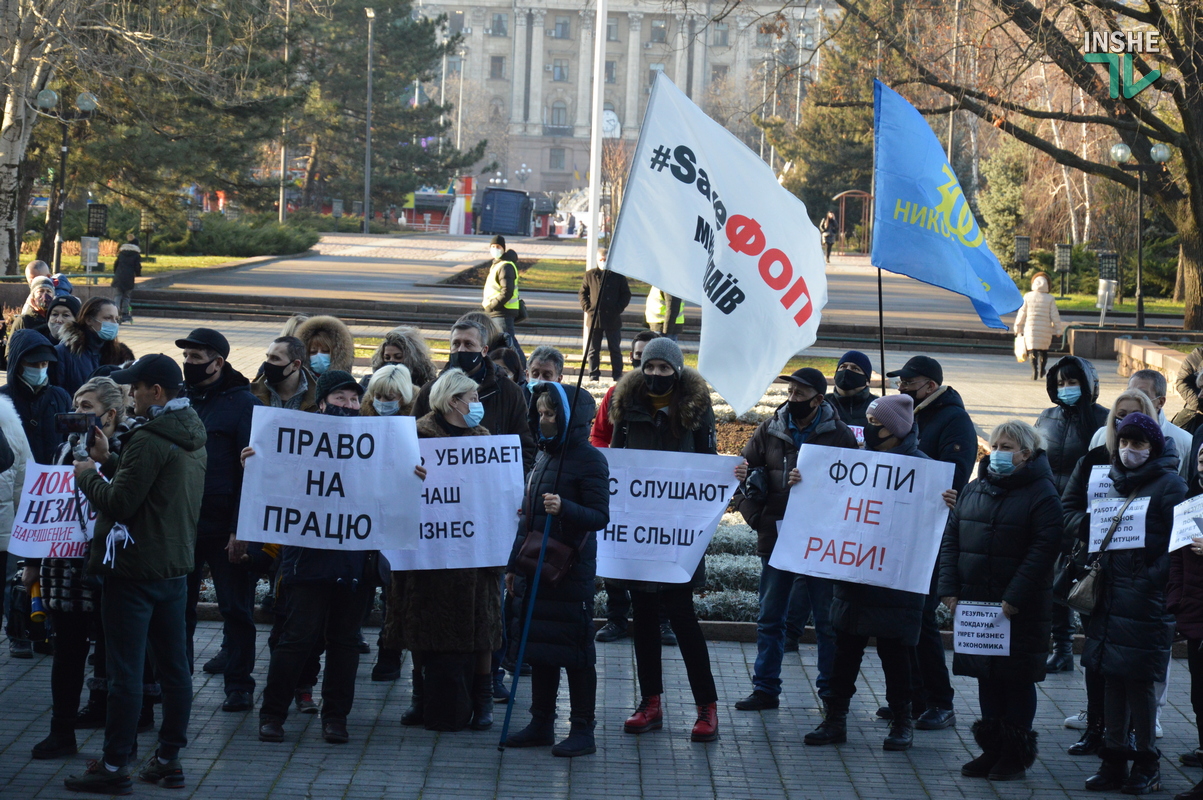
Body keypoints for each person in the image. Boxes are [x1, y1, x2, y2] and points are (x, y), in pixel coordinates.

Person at [64, 354, 207, 794]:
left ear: (156, 392)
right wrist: (110, 463)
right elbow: (151, 494)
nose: (131, 394)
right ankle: (168, 759)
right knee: (174, 668)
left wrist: (87, 473)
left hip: (133, 570)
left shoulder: (149, 439)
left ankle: (112, 766)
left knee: (126, 673)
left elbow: (122, 504)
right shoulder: (191, 434)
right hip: (173, 568)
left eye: (137, 387)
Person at [254, 370, 403, 745]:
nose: (349, 406)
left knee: (345, 642)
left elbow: (389, 494)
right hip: (307, 560)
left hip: (354, 564)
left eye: (354, 400)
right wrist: (255, 465)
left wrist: (410, 477)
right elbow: (275, 483)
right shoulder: (297, 442)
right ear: (321, 403)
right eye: (341, 399)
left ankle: (335, 717)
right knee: (296, 639)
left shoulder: (374, 445)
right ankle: (272, 713)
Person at [806, 394, 948, 752]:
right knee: (844, 655)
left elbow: (936, 529)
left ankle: (903, 722)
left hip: (895, 585)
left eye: (876, 424)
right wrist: (802, 480)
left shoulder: (924, 470)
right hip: (855, 576)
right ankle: (834, 720)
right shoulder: (858, 463)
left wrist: (948, 507)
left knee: (896, 657)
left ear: (896, 430)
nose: (869, 431)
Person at [608, 337, 721, 743]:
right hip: (638, 534)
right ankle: (650, 701)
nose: (655, 375)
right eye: (649, 367)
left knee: (682, 617)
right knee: (644, 621)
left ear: (677, 370)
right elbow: (617, 460)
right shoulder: (625, 405)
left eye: (663, 369)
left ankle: (706, 706)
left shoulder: (696, 409)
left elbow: (708, 465)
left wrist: (729, 479)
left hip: (676, 535)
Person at [939, 420, 1062, 781]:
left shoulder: (1042, 493)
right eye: (996, 445)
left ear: (1027, 453)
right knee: (987, 678)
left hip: (1018, 608)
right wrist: (949, 588)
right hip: (978, 604)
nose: (999, 453)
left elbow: (1043, 552)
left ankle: (1014, 756)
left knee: (1016, 680)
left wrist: (1014, 597)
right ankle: (991, 750)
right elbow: (952, 539)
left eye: (1008, 447)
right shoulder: (975, 488)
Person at [383, 368, 504, 732]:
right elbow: (387, 485)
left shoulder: (484, 438)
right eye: (474, 398)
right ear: (454, 401)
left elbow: (494, 491)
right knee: (421, 624)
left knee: (481, 627)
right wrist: (408, 475)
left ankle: (482, 701)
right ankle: (421, 697)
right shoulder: (416, 436)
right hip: (428, 553)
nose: (478, 405)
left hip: (473, 552)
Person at [733, 368, 857, 711]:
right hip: (777, 539)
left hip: (820, 543)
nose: (792, 399)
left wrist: (815, 483)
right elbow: (744, 471)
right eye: (790, 393)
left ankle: (831, 695)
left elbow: (851, 493)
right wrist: (755, 515)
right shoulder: (770, 428)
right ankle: (765, 689)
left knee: (826, 623)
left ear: (819, 400)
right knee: (770, 617)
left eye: (800, 395)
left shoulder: (840, 436)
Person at [1080, 412, 1186, 794]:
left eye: (1137, 444)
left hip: (1146, 602)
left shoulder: (1170, 486)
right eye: (1123, 442)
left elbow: (1181, 545)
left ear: (1153, 447)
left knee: (1139, 684)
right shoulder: (1115, 483)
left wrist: (1148, 579)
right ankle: (1114, 760)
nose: (1128, 450)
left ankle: (1146, 764)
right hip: (1113, 596)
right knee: (1111, 680)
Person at [503, 383, 610, 756]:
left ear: (570, 418)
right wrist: (514, 566)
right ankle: (540, 723)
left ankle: (583, 729)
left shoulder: (591, 460)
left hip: (569, 573)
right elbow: (527, 518)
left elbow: (599, 516)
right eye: (541, 413)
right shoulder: (545, 458)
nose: (543, 419)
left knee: (576, 653)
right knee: (541, 648)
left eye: (551, 413)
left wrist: (565, 508)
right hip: (536, 568)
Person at [1059, 387, 1160, 756]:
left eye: (1133, 414)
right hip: (1096, 573)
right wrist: (1090, 527)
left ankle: (1130, 734)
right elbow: (1066, 507)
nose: (1123, 422)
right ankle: (1096, 728)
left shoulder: (1159, 467)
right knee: (1096, 658)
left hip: (1135, 580)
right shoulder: (1093, 460)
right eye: (1119, 415)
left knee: (1129, 668)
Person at [23, 378, 120, 758]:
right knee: (67, 652)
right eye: (76, 404)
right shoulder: (62, 451)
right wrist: (31, 562)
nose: (76, 412)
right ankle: (61, 730)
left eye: (86, 406)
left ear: (109, 414)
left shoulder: (126, 446)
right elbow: (41, 510)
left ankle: (112, 723)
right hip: (65, 568)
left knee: (114, 651)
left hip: (110, 566)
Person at [886, 354, 974, 730]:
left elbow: (949, 477)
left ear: (930, 387)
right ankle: (914, 696)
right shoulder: (913, 414)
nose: (900, 387)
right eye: (899, 382)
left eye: (907, 382)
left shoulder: (954, 420)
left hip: (932, 532)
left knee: (920, 616)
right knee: (903, 615)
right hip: (903, 528)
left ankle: (941, 701)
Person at [177, 328, 262, 713]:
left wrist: (239, 528)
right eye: (187, 357)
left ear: (218, 363)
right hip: (182, 522)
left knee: (236, 609)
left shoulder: (243, 404)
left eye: (197, 358)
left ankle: (239, 685)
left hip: (224, 523)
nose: (189, 364)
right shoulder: (181, 398)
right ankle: (175, 682)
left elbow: (252, 472)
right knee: (179, 609)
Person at [590, 330, 674, 646]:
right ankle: (616, 619)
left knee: (662, 554)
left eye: (654, 360)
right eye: (640, 357)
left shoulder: (680, 401)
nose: (646, 365)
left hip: (663, 497)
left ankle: (662, 622)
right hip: (623, 492)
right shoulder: (616, 395)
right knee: (618, 552)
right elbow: (598, 435)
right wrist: (611, 461)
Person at [1035, 356, 1108, 673]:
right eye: (1061, 383)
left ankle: (1095, 648)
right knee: (1053, 583)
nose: (1066, 388)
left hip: (1084, 515)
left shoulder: (1103, 420)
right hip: (1049, 510)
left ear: (1088, 384)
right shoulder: (1047, 417)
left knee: (1088, 584)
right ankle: (1061, 648)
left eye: (1072, 382)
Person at [412, 318, 535, 473]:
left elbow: (524, 445)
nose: (461, 350)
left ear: (484, 350)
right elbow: (412, 445)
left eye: (468, 344)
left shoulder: (509, 391)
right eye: (456, 344)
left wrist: (511, 481)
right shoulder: (430, 391)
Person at [1169, 444, 1203, 800]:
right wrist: (1176, 602)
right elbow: (1177, 559)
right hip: (1195, 617)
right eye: (1202, 460)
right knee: (1199, 697)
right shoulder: (1191, 503)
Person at [1091, 369, 1193, 479]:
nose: (1134, 397)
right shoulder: (1101, 436)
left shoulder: (1184, 441)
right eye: (1129, 391)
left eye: (1143, 394)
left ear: (1160, 402)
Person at [1, 329, 71, 464]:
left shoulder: (60, 397)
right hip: (16, 480)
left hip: (54, 477)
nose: (39, 368)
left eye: (44, 363)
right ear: (18, 363)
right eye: (32, 364)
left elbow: (69, 440)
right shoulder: (3, 400)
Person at [54, 297, 135, 397]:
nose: (114, 323)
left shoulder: (122, 354)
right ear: (89, 320)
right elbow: (57, 393)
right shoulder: (64, 352)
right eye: (107, 318)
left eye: (116, 319)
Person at [579, 247, 631, 381]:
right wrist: (588, 308)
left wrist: (618, 308)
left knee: (615, 349)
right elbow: (583, 293)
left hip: (612, 318)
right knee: (593, 350)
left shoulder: (618, 275)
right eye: (600, 260)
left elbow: (626, 294)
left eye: (605, 260)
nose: (603, 262)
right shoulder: (590, 274)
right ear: (597, 260)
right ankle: (593, 375)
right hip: (594, 318)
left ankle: (617, 376)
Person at [1014, 272, 1062, 380]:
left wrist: (1018, 326)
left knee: (1032, 350)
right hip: (1045, 329)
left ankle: (1034, 370)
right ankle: (1042, 368)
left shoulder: (1027, 296)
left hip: (1030, 328)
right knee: (1043, 350)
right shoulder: (1050, 298)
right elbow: (1054, 315)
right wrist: (1058, 329)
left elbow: (1022, 312)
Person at [251, 335, 317, 411]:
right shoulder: (253, 392)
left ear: (295, 365)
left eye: (275, 358)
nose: (267, 363)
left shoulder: (320, 397)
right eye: (267, 357)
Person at [482, 235, 522, 356]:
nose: (495, 249)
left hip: (503, 310)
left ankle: (523, 369)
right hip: (499, 310)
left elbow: (507, 291)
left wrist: (493, 305)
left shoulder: (505, 266)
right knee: (502, 342)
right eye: (493, 246)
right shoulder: (498, 264)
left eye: (498, 246)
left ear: (503, 248)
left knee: (509, 343)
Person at [364, 326, 437, 388]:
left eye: (398, 357)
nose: (392, 361)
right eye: (387, 358)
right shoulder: (368, 382)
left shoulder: (426, 386)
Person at [824, 350, 878, 433]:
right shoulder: (823, 403)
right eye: (843, 367)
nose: (847, 371)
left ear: (867, 380)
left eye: (855, 368)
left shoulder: (878, 406)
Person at [1173, 345, 1203, 435]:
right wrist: (1198, 404)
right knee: (1175, 433)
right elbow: (1182, 383)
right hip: (1195, 409)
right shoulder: (1196, 356)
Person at [112, 234, 142, 323]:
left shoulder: (121, 253)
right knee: (126, 297)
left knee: (117, 296)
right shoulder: (136, 255)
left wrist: (116, 273)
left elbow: (115, 264)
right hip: (129, 278)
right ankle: (125, 314)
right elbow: (137, 267)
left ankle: (115, 314)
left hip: (119, 278)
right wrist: (138, 274)